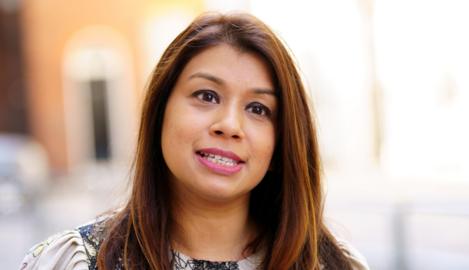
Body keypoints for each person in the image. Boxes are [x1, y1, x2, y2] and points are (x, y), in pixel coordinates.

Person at [19, 12, 369, 270]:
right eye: (206, 95)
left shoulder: (335, 265)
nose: (230, 125)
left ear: (282, 142)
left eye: (258, 108)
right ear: (161, 112)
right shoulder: (75, 262)